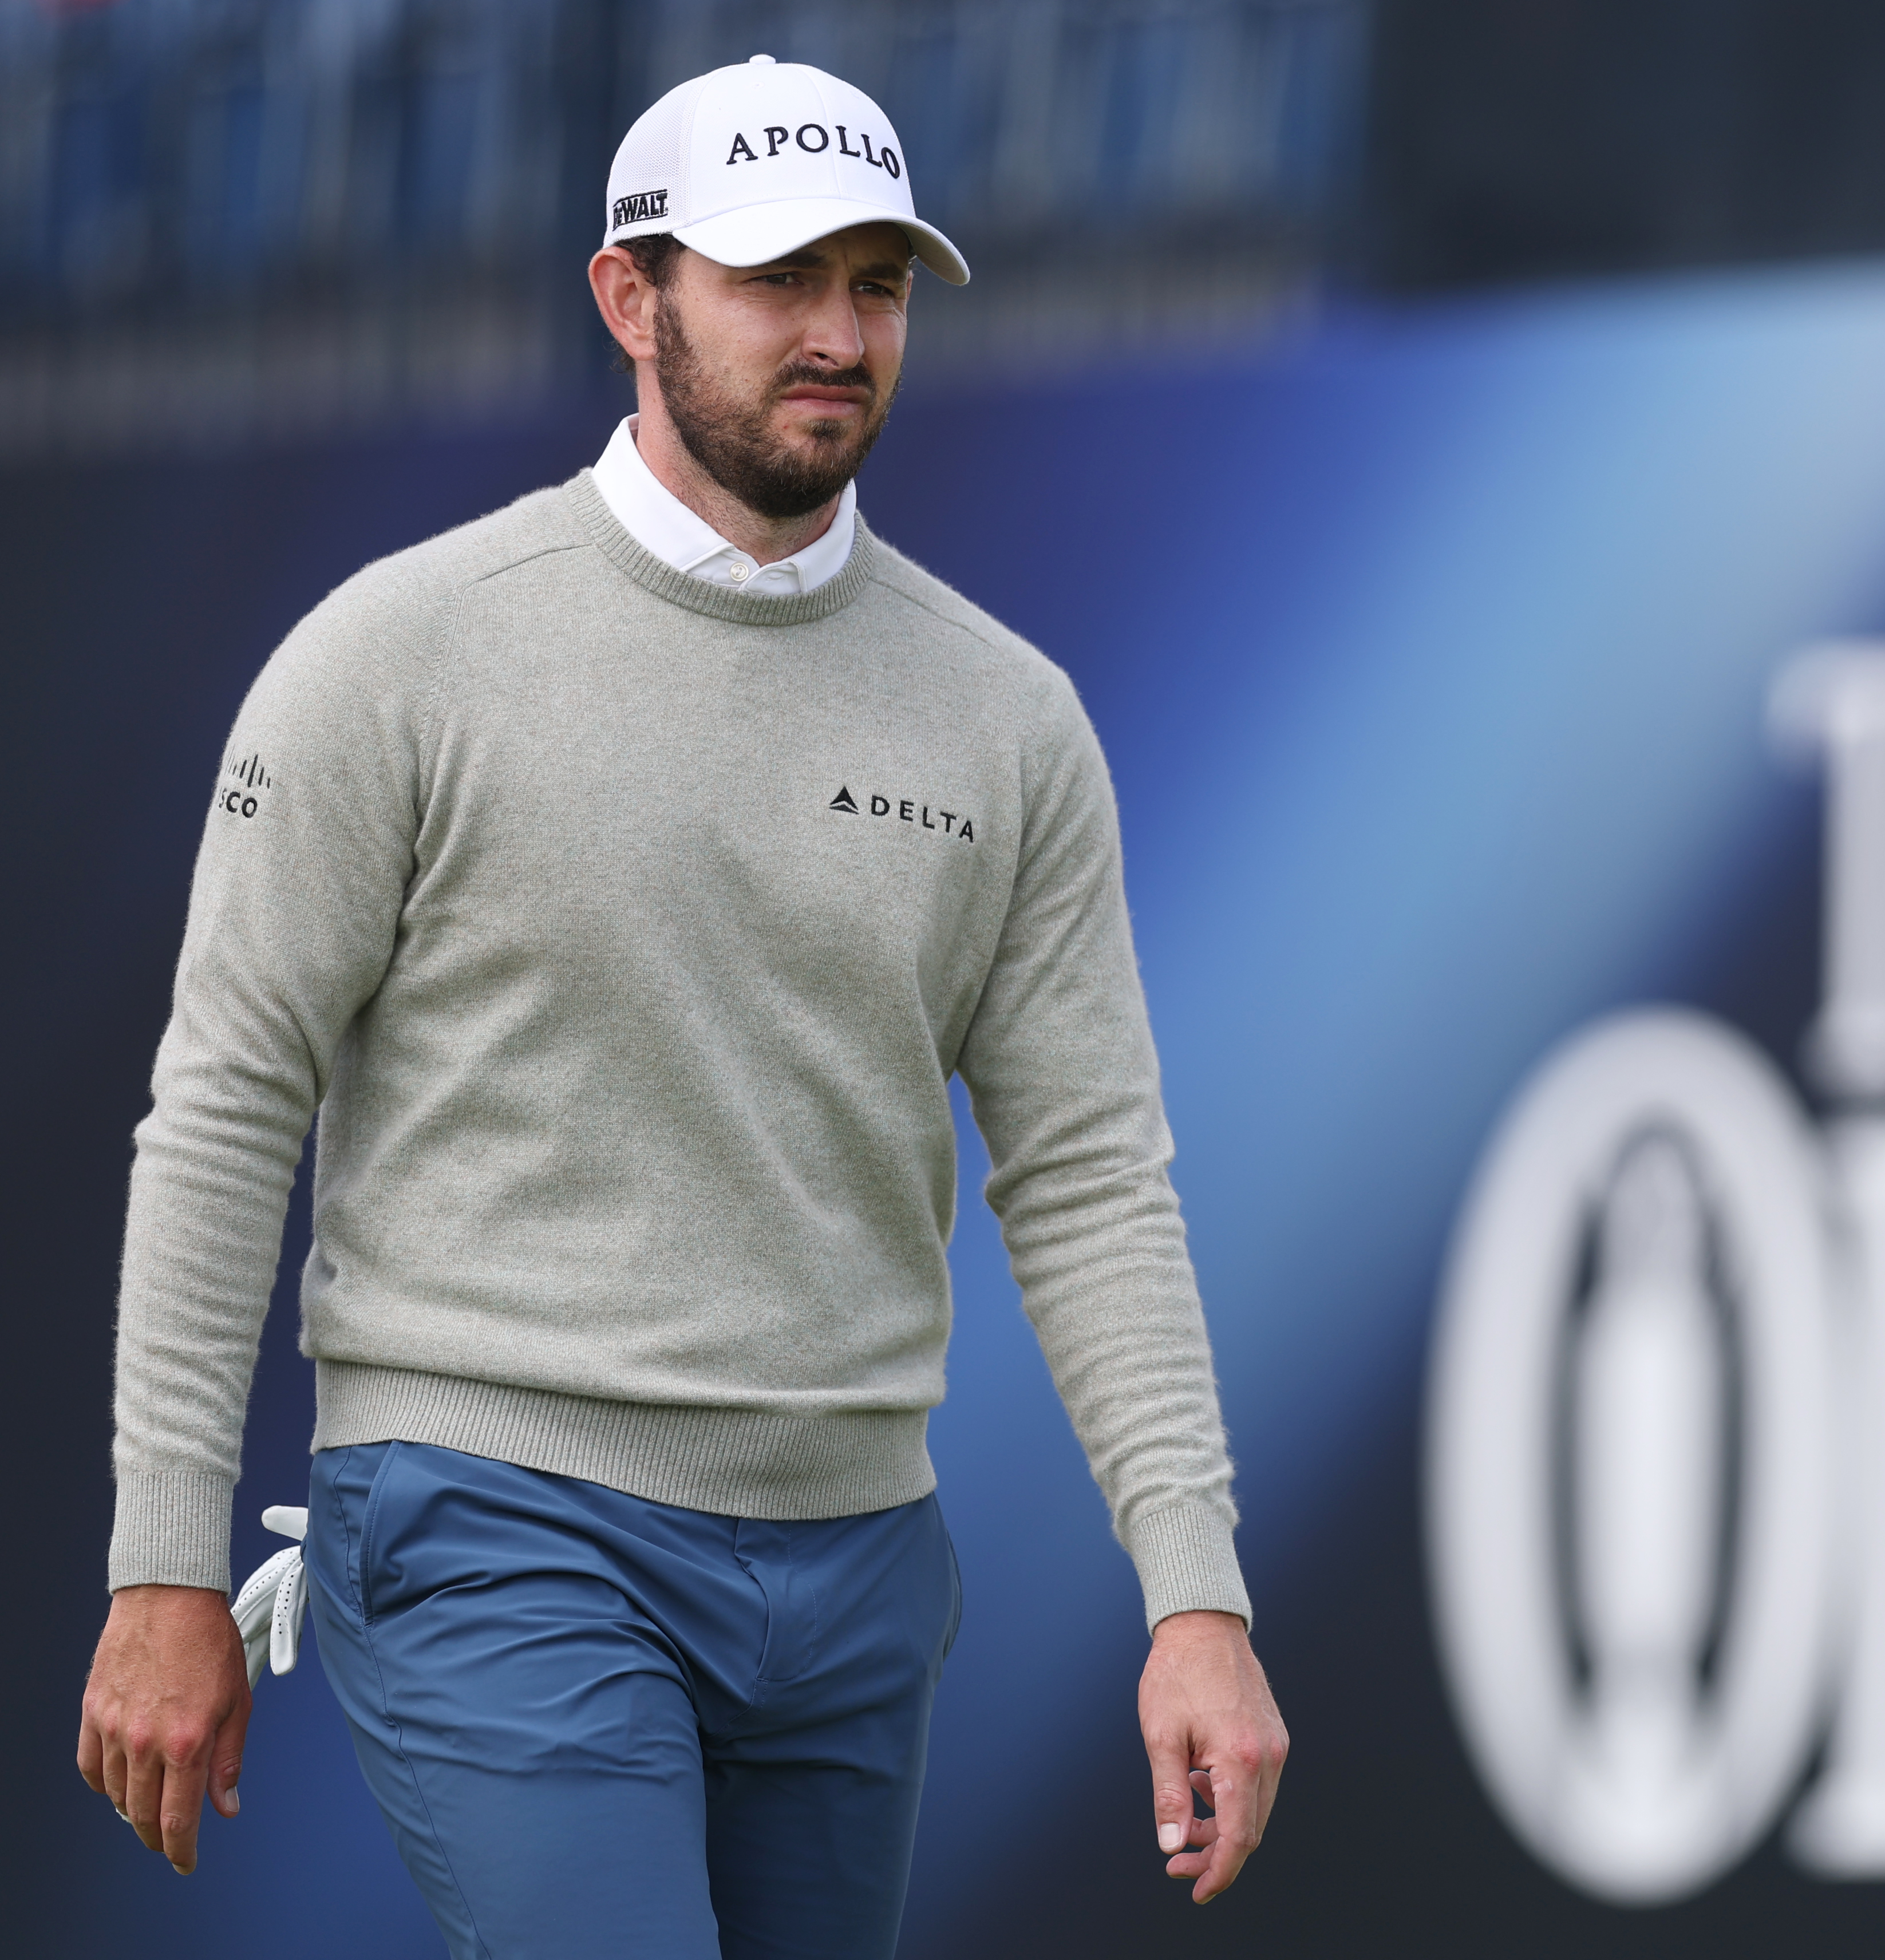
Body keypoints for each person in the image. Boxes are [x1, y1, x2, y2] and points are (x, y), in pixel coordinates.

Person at [72, 54, 1285, 1957]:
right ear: (630, 300)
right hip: (494, 1524)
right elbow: (227, 1106)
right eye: (778, 277)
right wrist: (163, 1563)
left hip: (864, 1565)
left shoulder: (1010, 717)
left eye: (876, 284)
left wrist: (1195, 1599)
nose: (839, 334)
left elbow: (1092, 1176)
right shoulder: (393, 658)